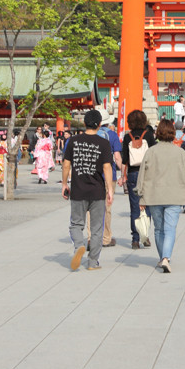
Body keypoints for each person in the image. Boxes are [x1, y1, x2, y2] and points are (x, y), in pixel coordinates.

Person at [135, 119, 185, 274]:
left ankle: (163, 257)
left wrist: (140, 194)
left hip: (154, 195)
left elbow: (142, 174)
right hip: (175, 195)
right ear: (173, 133)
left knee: (158, 228)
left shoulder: (151, 152)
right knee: (170, 229)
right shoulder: (180, 152)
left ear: (158, 133)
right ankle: (166, 258)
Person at [62, 110, 114, 272]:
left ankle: (79, 245)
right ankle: (93, 262)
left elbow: (66, 164)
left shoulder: (73, 141)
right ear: (99, 125)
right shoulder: (104, 143)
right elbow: (107, 167)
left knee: (76, 225)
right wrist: (110, 189)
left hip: (78, 190)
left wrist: (64, 183)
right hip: (97, 191)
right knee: (97, 228)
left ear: (84, 123)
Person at [121, 110, 156, 249]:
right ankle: (145, 236)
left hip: (133, 173)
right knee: (147, 205)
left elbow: (125, 159)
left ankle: (135, 239)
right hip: (147, 173)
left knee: (134, 206)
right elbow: (154, 154)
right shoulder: (148, 135)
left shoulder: (127, 137)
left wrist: (123, 175)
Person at [95, 113, 123, 248]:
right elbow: (117, 157)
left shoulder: (89, 134)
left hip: (91, 175)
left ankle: (90, 238)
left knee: (91, 208)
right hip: (108, 174)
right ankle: (106, 238)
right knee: (107, 207)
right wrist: (123, 173)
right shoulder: (112, 135)